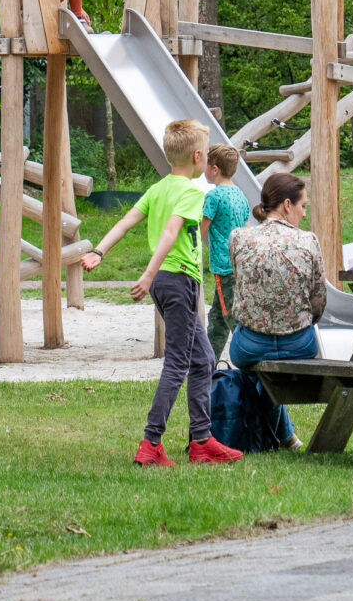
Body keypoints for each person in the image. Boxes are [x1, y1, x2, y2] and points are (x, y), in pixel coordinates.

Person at [94, 118, 244, 467]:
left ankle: (202, 441)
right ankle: (151, 444)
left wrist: (99, 251)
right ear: (196, 156)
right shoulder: (192, 192)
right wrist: (148, 274)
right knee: (178, 362)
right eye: (206, 153)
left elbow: (126, 221)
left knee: (204, 358)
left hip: (167, 282)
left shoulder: (158, 188)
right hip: (176, 279)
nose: (207, 158)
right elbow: (171, 233)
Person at [222, 171, 326, 450]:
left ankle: (282, 435)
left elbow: (240, 288)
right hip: (299, 344)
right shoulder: (308, 241)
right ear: (288, 205)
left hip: (250, 345)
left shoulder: (239, 238)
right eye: (303, 206)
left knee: (253, 371)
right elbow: (319, 303)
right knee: (262, 374)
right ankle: (285, 436)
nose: (304, 214)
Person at [200, 143, 255, 359]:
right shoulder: (240, 195)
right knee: (218, 317)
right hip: (239, 263)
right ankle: (208, 364)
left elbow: (199, 230)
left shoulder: (213, 197)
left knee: (230, 315)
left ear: (215, 169)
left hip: (224, 266)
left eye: (206, 165)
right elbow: (246, 230)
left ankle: (250, 358)